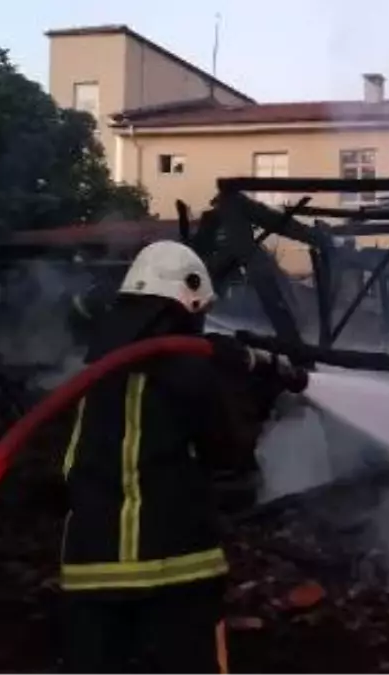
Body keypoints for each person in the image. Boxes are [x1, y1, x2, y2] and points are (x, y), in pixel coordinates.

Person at [59, 240, 307, 675]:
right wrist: (259, 393)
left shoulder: (94, 371)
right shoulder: (188, 369)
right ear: (186, 300)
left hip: (89, 571)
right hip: (173, 569)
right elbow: (231, 452)